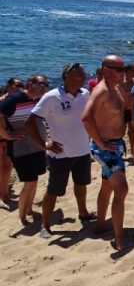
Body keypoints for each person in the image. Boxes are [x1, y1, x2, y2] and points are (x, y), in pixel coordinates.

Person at [25, 63, 95, 238]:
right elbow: (30, 122)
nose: (83, 76)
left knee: (81, 184)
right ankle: (45, 225)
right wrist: (43, 145)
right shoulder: (52, 97)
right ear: (67, 77)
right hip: (60, 154)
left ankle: (83, 213)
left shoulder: (85, 94)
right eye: (79, 74)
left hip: (83, 151)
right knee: (54, 190)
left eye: (83, 73)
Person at [81, 55, 129, 251]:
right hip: (105, 148)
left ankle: (100, 225)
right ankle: (119, 239)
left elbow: (122, 110)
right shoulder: (100, 91)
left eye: (123, 68)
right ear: (107, 70)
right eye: (119, 69)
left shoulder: (115, 88)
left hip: (115, 145)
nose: (123, 73)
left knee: (108, 186)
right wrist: (100, 142)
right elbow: (86, 118)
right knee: (122, 188)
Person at [0, 74, 49, 224]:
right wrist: (7, 134)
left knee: (34, 181)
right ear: (30, 83)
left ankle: (29, 209)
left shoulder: (37, 100)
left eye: (46, 85)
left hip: (37, 146)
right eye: (41, 84)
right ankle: (22, 216)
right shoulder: (14, 99)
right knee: (30, 182)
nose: (44, 87)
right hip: (21, 149)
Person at [0, 77, 24, 204]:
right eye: (17, 85)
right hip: (4, 136)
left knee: (7, 167)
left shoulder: (18, 100)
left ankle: (4, 194)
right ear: (9, 86)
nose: (20, 87)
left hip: (8, 138)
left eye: (22, 85)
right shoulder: (3, 101)